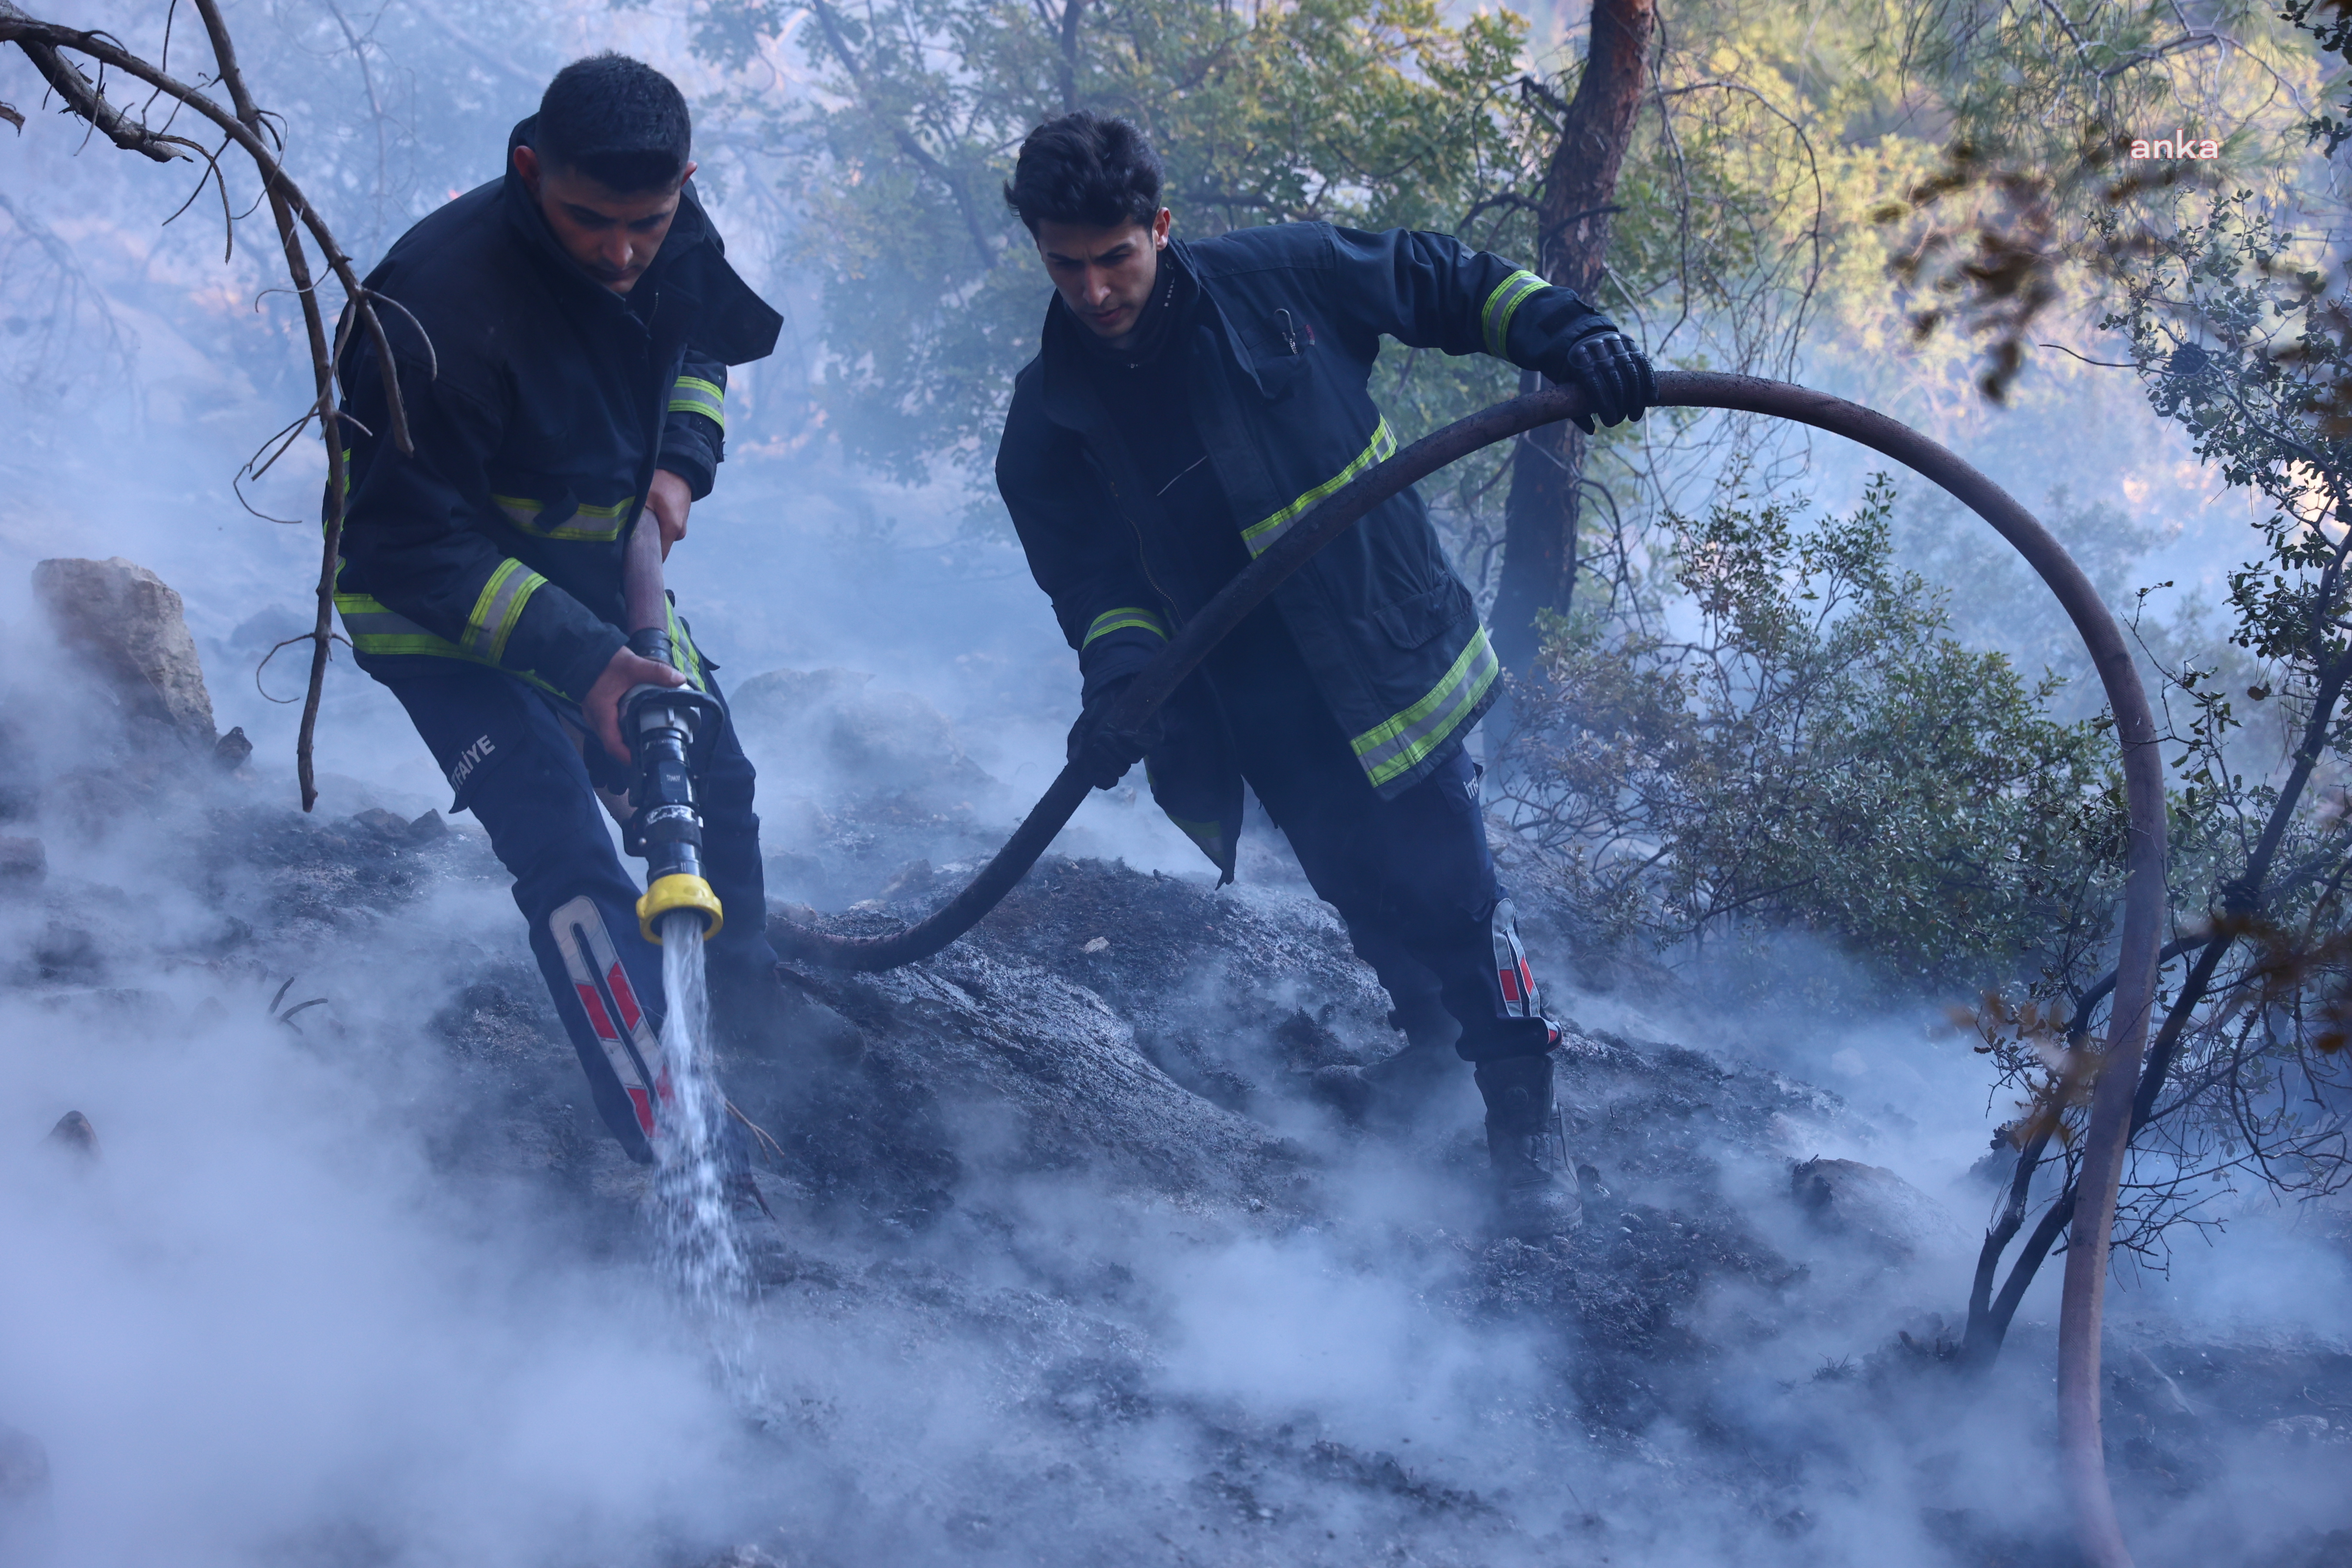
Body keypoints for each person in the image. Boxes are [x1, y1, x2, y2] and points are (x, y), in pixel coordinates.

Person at [994, 112, 1656, 1234]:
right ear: (1042, 250)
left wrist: (1566, 333)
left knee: (1451, 891)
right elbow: (1092, 585)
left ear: (1159, 227)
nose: (1098, 289)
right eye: (1070, 264)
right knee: (1352, 878)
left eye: (1118, 257)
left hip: (1387, 652)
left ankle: (1526, 1116)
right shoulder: (1049, 420)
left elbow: (1436, 278)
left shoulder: (1281, 279)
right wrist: (1120, 685)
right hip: (1259, 704)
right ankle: (1434, 1045)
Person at [327, 54, 787, 1183]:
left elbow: (699, 347)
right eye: (590, 221)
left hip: (594, 580)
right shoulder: (430, 308)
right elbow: (404, 543)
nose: (624, 250)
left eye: (648, 220)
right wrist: (584, 670)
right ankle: (676, 1141)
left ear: (681, 181)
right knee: (571, 857)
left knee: (713, 776)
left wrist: (681, 465)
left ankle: (755, 1028)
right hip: (437, 614)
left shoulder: (665, 224)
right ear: (532, 170)